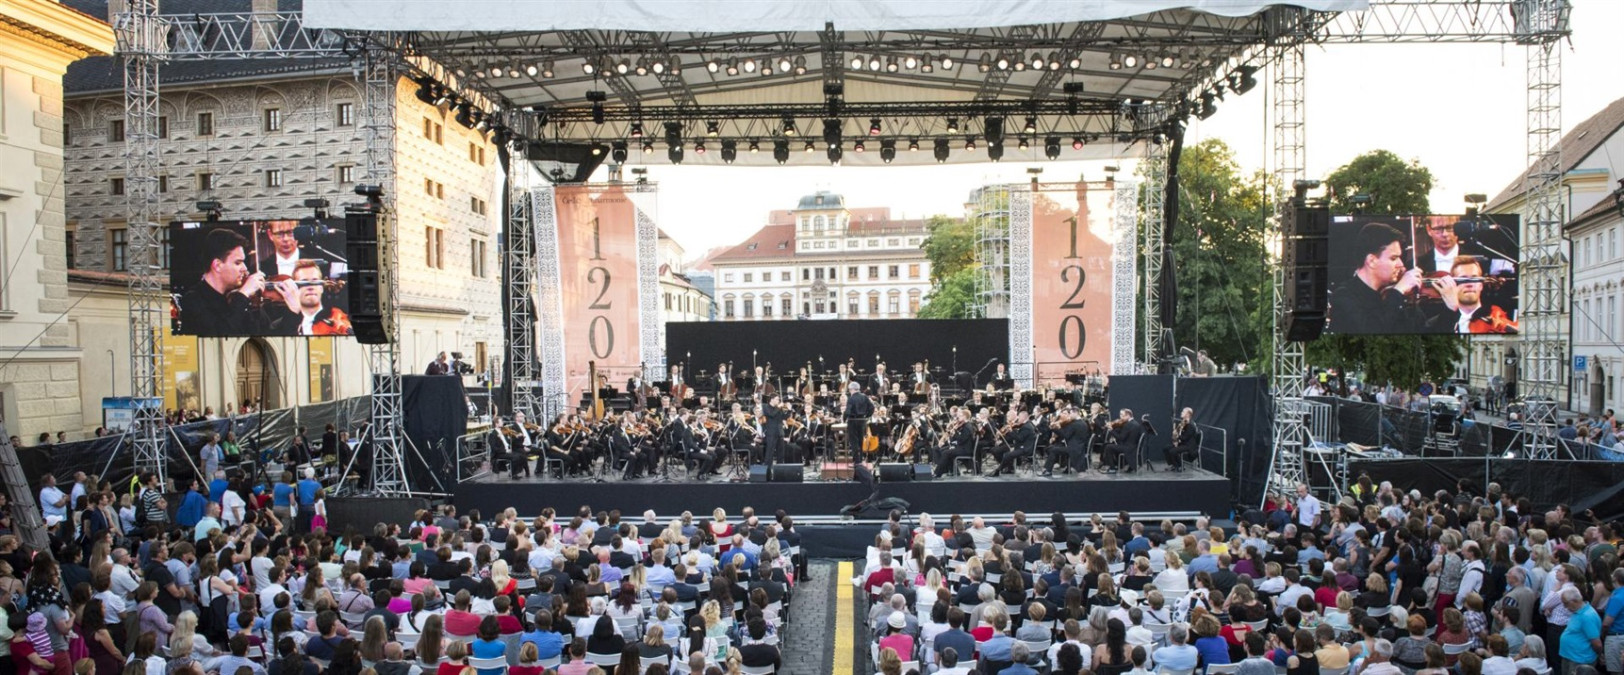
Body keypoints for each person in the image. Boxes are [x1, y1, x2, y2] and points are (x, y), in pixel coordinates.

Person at [177, 227, 295, 335]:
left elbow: (269, 336)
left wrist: (294, 312)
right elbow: (220, 335)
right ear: (217, 265)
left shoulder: (241, 299)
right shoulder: (193, 301)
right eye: (238, 263)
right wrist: (243, 295)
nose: (245, 268)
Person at [1327, 221, 1426, 333]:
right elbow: (1372, 330)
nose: (1401, 264)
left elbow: (1421, 330)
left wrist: (1449, 308)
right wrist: (1398, 291)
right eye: (1393, 258)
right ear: (1372, 261)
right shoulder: (1343, 297)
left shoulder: (1391, 294)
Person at [1426, 256, 1516, 334]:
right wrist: (1453, 310)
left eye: (1474, 279)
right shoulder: (1435, 323)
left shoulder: (1496, 316)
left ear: (1481, 285)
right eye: (1462, 279)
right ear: (1453, 285)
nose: (1469, 284)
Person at [272, 260, 351, 336]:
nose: (310, 287)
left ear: (321, 288)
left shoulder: (338, 317)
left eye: (315, 281)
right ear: (295, 289)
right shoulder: (280, 325)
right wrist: (297, 312)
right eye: (304, 282)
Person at [1043, 409, 1088, 477]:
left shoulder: (1074, 424)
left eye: (1070, 413)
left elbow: (1065, 435)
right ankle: (1050, 469)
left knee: (1053, 450)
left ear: (1076, 413)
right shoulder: (1083, 423)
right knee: (1054, 448)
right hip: (1079, 448)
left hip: (1073, 449)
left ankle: (1048, 470)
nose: (1069, 415)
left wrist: (1054, 429)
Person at [1102, 408, 1143, 474]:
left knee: (1108, 447)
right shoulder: (1135, 423)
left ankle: (1112, 468)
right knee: (1112, 445)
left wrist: (1111, 430)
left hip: (1128, 448)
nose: (1120, 417)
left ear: (1128, 415)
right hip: (1133, 447)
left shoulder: (1128, 425)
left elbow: (1121, 438)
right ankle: (1118, 465)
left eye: (1122, 415)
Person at [843, 382, 874, 458]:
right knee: (861, 439)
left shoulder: (851, 398)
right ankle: (860, 458)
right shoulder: (864, 397)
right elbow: (872, 407)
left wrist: (844, 419)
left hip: (852, 421)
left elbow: (847, 411)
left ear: (852, 389)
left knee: (854, 441)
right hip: (862, 420)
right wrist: (867, 416)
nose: (850, 391)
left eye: (850, 390)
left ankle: (856, 459)